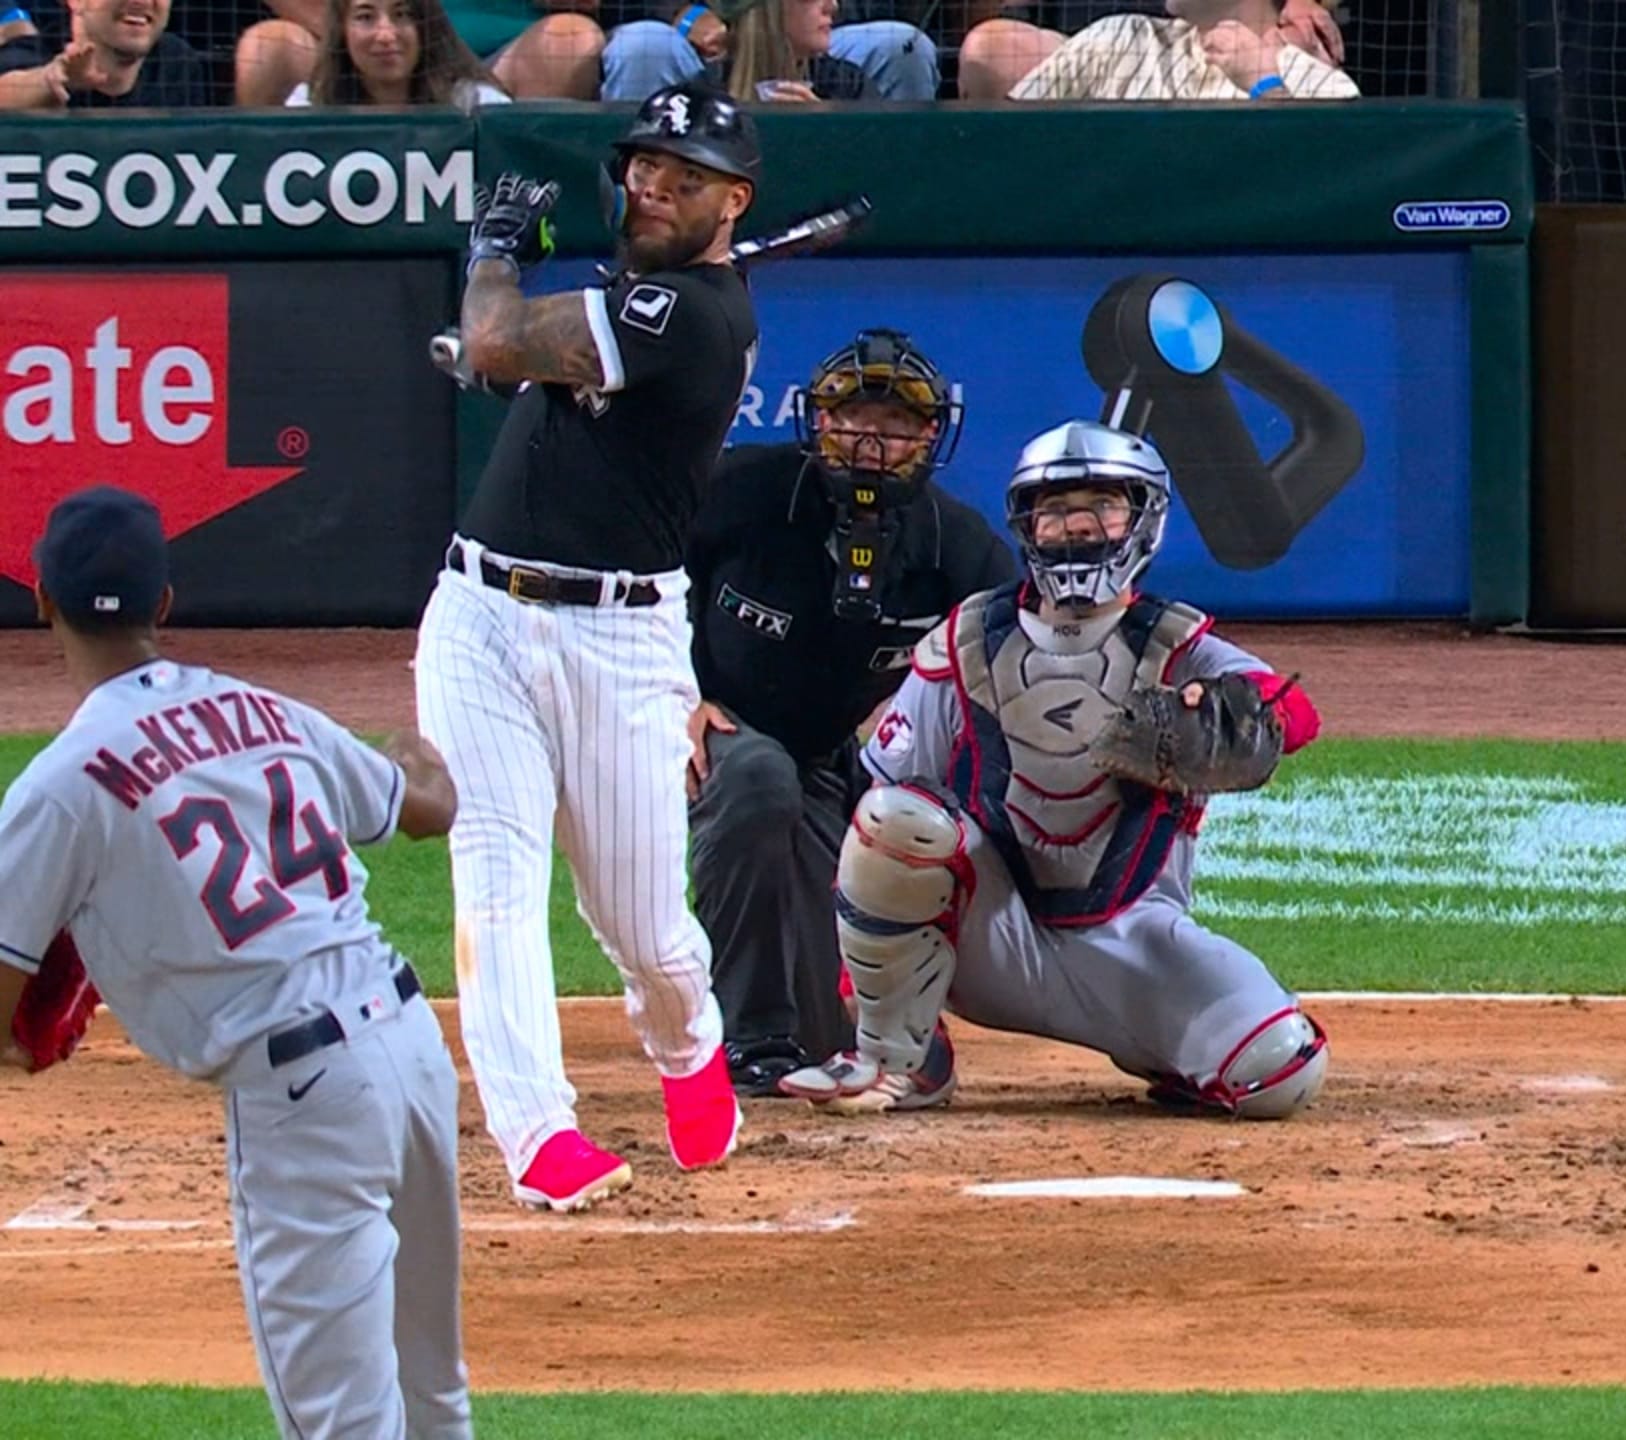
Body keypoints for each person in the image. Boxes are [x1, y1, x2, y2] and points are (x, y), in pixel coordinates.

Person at [0, 487, 471, 1439]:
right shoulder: (264, 709)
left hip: (306, 1101)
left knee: (341, 1425)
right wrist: (414, 756)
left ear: (40, 599)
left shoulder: (59, 786)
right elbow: (426, 811)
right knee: (433, 1400)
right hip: (415, 1055)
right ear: (164, 604)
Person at [417, 77, 761, 1213]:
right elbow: (509, 351)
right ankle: (538, 1135)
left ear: (734, 201)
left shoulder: (701, 319)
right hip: (476, 615)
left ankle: (687, 1042)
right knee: (496, 880)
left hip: (619, 640)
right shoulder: (634, 293)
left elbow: (500, 337)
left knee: (644, 924)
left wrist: (494, 254)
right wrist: (499, 338)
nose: (653, 186)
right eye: (645, 168)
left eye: (687, 178)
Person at [778, 421, 1330, 1120]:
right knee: (896, 821)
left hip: (1133, 937)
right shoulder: (968, 637)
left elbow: (1295, 714)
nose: (1076, 525)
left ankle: (1161, 1047)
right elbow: (879, 797)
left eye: (1102, 505)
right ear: (1026, 524)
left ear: (1143, 517)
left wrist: (1238, 712)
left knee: (1281, 1073)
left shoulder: (1177, 641)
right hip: (993, 933)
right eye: (1054, 508)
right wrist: (857, 978)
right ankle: (898, 1060)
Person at [686, 331, 1018, 1095]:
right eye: (851, 418)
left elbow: (1014, 659)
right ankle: (746, 1040)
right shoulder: (743, 492)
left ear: (931, 437)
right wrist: (668, 693)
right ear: (818, 423)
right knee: (759, 778)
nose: (872, 441)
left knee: (832, 1035)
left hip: (822, 757)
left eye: (897, 424)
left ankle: (790, 1021)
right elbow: (643, 575)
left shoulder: (953, 545)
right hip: (699, 731)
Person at [959, 0, 1351, 100]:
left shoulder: (1320, 89)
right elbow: (1001, 163)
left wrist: (1267, 85)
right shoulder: (1117, 41)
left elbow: (1321, 207)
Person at [600, 0, 935, 100]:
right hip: (679, 35)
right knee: (643, 48)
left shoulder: (849, 78)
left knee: (899, 43)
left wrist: (824, 132)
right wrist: (684, 15)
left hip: (818, 29)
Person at [283, 0, 511, 106]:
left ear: (424, 26)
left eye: (401, 15)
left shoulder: (476, 103)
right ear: (342, 31)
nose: (386, 35)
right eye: (365, 17)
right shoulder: (309, 104)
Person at [0, 0, 211, 108]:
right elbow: (7, 90)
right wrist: (55, 80)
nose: (142, 1)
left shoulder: (178, 63)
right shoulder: (29, 53)